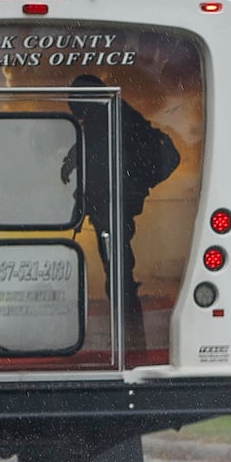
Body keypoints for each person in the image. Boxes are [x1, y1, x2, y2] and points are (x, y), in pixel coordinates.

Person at [60, 75, 180, 351]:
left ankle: (132, 342)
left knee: (120, 278)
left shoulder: (114, 120)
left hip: (113, 211)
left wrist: (134, 187)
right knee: (119, 276)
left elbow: (98, 167)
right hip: (111, 208)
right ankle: (129, 340)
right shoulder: (111, 118)